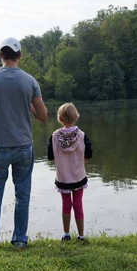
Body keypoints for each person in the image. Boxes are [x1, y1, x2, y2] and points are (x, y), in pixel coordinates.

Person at [0, 37, 47, 250]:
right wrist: (29, 107)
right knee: (22, 194)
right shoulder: (30, 81)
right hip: (24, 147)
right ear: (19, 56)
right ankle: (20, 241)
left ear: (0, 55)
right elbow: (43, 116)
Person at [48, 103, 92, 241]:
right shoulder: (82, 135)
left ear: (60, 118)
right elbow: (89, 154)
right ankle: (81, 235)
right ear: (75, 117)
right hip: (78, 176)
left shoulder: (54, 136)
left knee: (66, 204)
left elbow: (50, 157)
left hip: (63, 179)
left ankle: (66, 234)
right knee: (78, 203)